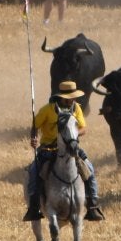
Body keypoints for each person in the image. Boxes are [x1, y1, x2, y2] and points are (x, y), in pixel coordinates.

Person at [24, 80, 104, 222]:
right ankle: (34, 206)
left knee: (89, 170)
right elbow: (35, 125)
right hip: (48, 148)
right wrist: (34, 138)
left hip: (71, 148)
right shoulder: (47, 109)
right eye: (68, 98)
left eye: (73, 97)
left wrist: (71, 136)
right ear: (61, 97)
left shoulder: (76, 108)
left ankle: (93, 205)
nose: (71, 100)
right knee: (33, 171)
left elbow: (83, 128)